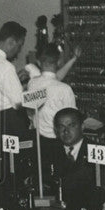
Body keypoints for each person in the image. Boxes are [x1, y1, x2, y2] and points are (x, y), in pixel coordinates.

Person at [27, 46, 77, 175]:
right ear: (59, 62)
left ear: (39, 62)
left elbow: (51, 80)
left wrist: (73, 59)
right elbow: (72, 120)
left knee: (40, 176)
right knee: (60, 177)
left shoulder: (32, 84)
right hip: (58, 143)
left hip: (37, 141)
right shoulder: (64, 89)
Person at [49, 107, 105, 210]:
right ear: (56, 130)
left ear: (82, 127)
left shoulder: (97, 150)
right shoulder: (49, 152)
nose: (66, 131)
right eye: (61, 127)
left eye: (71, 125)